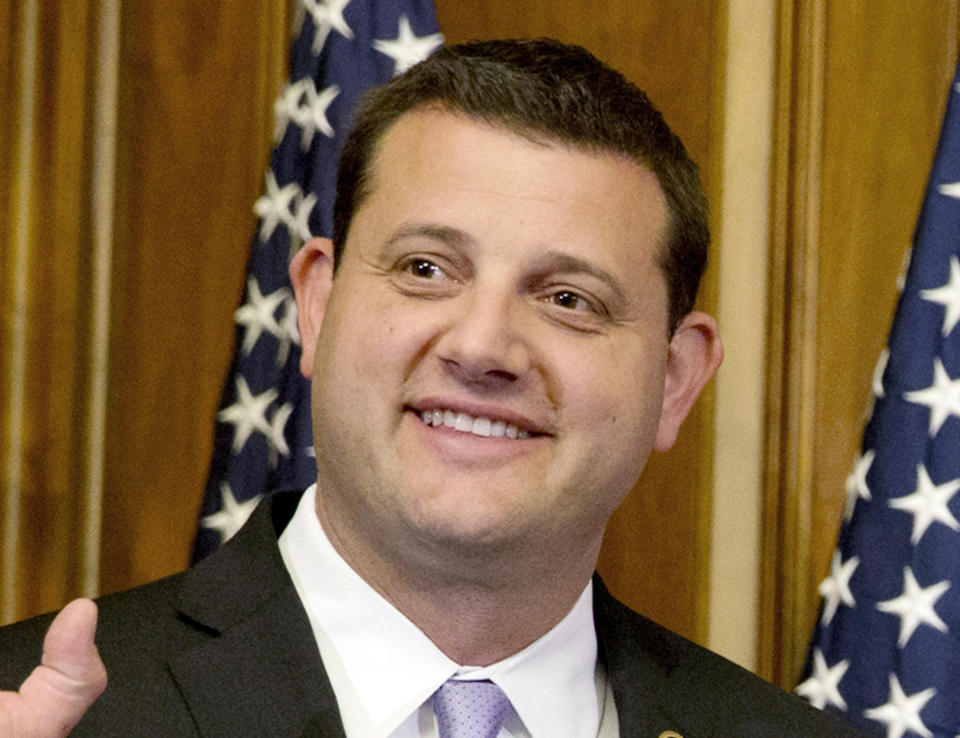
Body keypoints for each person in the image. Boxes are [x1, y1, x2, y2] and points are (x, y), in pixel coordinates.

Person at [0, 39, 863, 737]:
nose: (484, 347)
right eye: (425, 269)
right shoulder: (45, 708)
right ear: (317, 307)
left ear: (674, 381)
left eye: (569, 299)